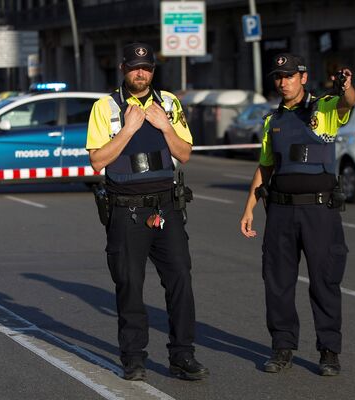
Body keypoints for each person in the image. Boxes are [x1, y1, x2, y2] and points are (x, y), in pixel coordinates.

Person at [86, 42, 207, 381]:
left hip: (165, 207)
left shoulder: (168, 103)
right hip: (126, 211)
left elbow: (184, 154)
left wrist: (165, 126)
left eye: (147, 68)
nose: (141, 73)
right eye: (135, 67)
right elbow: (97, 160)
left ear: (153, 70)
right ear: (123, 68)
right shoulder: (105, 107)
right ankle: (134, 357)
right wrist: (128, 129)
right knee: (130, 284)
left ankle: (183, 355)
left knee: (181, 279)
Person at [240, 53, 355, 376]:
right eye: (278, 76)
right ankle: (282, 347)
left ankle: (329, 351)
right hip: (280, 211)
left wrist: (346, 86)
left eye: (289, 75)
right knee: (277, 282)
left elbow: (348, 103)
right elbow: (265, 167)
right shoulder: (271, 121)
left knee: (325, 281)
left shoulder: (325, 108)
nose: (283, 81)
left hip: (320, 211)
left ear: (303, 78)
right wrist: (249, 207)